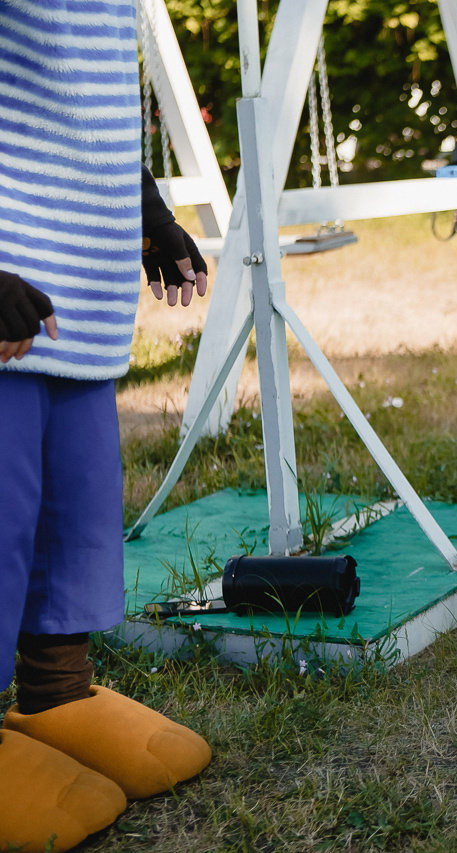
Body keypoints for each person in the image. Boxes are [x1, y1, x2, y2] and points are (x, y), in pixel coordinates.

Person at [0, 3, 211, 851]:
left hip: (75, 287)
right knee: (1, 517)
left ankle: (57, 688)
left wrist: (147, 212)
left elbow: (86, 104)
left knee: (77, 503)